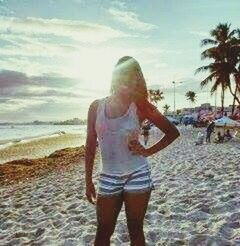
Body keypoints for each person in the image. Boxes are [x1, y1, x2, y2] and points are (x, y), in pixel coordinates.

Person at [85, 56, 180, 246]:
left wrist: (147, 151)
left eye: (132, 77)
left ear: (138, 80)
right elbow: (89, 144)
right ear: (114, 76)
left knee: (135, 228)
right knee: (103, 231)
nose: (127, 81)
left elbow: (172, 132)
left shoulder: (141, 106)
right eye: (123, 75)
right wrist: (88, 180)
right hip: (108, 176)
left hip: (138, 173)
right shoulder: (96, 107)